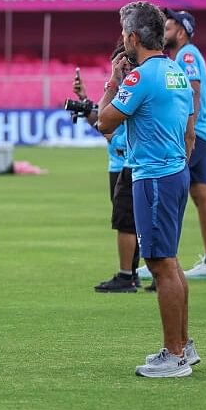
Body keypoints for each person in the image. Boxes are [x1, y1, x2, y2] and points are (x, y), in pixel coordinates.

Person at [95, 1, 198, 378]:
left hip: (152, 177)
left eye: (124, 32)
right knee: (169, 261)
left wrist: (113, 80)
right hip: (174, 171)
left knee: (158, 264)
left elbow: (104, 122)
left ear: (134, 37)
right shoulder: (175, 71)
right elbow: (190, 127)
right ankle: (184, 346)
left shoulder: (142, 77)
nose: (122, 39)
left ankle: (173, 355)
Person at [145, 8, 206, 281]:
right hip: (204, 132)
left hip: (195, 133)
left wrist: (184, 133)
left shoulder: (186, 55)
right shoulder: (186, 55)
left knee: (168, 190)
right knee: (202, 196)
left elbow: (194, 92)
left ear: (181, 31)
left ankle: (163, 258)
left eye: (167, 28)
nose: (163, 32)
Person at [75, 45, 142, 294]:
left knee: (127, 221)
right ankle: (136, 272)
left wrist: (113, 83)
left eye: (120, 66)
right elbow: (100, 121)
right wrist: (84, 100)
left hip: (128, 162)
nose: (116, 70)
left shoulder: (132, 89)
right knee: (133, 220)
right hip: (119, 162)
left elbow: (106, 124)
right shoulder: (127, 89)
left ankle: (129, 275)